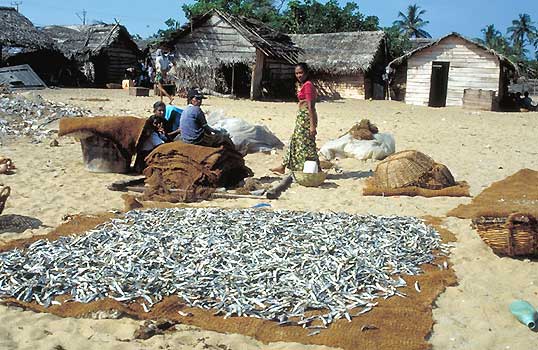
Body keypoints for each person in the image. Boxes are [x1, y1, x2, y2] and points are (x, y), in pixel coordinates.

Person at [271, 62, 319, 174]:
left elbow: (310, 107)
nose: (299, 75)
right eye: (297, 73)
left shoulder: (307, 86)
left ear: (306, 73)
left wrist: (312, 126)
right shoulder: (304, 85)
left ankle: (312, 168)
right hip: (302, 117)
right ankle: (283, 165)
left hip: (307, 118)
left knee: (306, 144)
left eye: (301, 73)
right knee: (296, 141)